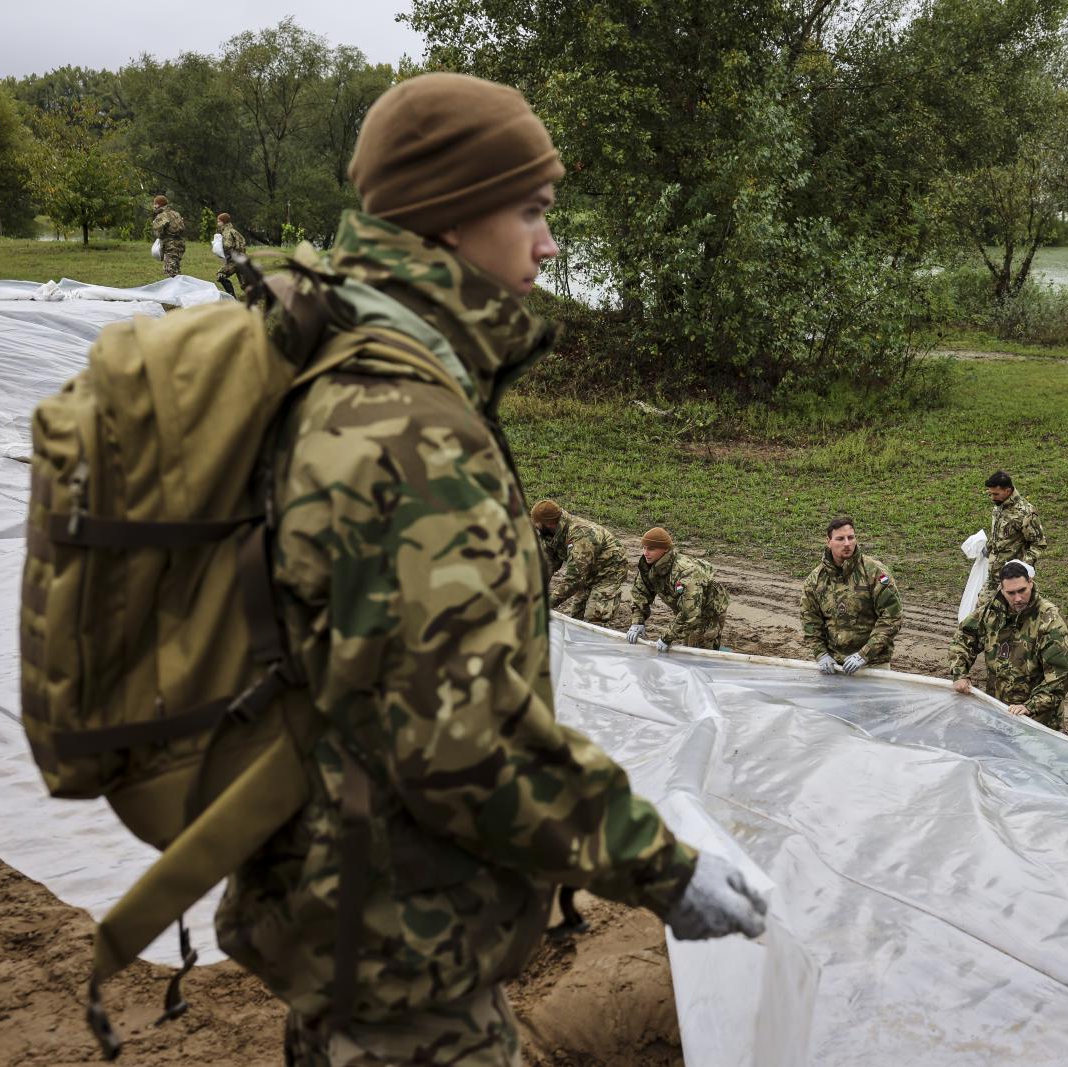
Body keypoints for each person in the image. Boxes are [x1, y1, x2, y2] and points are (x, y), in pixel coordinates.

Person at [216, 73, 766, 1067]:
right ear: (451, 219)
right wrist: (660, 867)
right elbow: (459, 736)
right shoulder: (409, 428)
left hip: (337, 914)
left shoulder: (332, 367)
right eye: (532, 211)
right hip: (405, 963)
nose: (548, 243)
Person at [948, 560, 1068, 730]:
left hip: (1037, 720)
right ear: (1001, 590)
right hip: (997, 713)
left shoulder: (1048, 620)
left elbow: (1063, 673)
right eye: (1011, 593)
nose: (1018, 598)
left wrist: (1030, 706)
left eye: (1022, 590)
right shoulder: (991, 613)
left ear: (1030, 582)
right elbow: (963, 639)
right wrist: (959, 673)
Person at [799, 516, 902, 675]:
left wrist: (864, 655)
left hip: (873, 665)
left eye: (851, 537)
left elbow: (891, 617)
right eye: (840, 538)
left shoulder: (875, 572)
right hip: (834, 666)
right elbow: (810, 620)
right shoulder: (815, 579)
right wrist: (821, 654)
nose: (847, 543)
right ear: (829, 542)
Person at [627, 527, 730, 652]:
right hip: (686, 607)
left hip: (707, 611)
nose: (645, 553)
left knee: (698, 653)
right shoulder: (648, 566)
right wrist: (637, 621)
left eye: (651, 549)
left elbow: (690, 613)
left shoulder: (685, 572)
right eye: (644, 547)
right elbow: (640, 593)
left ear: (665, 549)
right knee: (687, 643)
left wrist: (667, 638)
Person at [531, 499, 628, 625]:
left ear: (548, 523)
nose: (534, 525)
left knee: (595, 618)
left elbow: (574, 579)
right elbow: (548, 564)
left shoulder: (581, 534)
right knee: (576, 618)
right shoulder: (549, 534)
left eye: (536, 522)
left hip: (610, 570)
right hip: (586, 570)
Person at [978, 470, 1046, 608]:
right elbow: (1000, 535)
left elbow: (1038, 544)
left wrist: (1021, 567)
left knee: (1012, 615)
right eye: (990, 493)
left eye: (995, 494)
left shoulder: (1025, 512)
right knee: (981, 612)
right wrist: (988, 548)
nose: (992, 497)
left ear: (1008, 490)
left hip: (1013, 580)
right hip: (993, 575)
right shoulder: (999, 507)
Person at [150, 195, 186, 278]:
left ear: (158, 205)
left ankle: (177, 289)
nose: (154, 206)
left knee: (170, 271)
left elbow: (157, 231)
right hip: (180, 244)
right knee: (175, 267)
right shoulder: (176, 213)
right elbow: (182, 227)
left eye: (155, 204)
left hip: (170, 245)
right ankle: (179, 288)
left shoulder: (162, 215)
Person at [215, 211, 247, 297]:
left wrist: (218, 247)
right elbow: (243, 242)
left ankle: (231, 297)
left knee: (221, 275)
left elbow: (227, 245)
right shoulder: (234, 231)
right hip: (242, 259)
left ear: (223, 222)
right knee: (245, 285)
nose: (217, 223)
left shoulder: (227, 232)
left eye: (218, 221)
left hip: (234, 260)